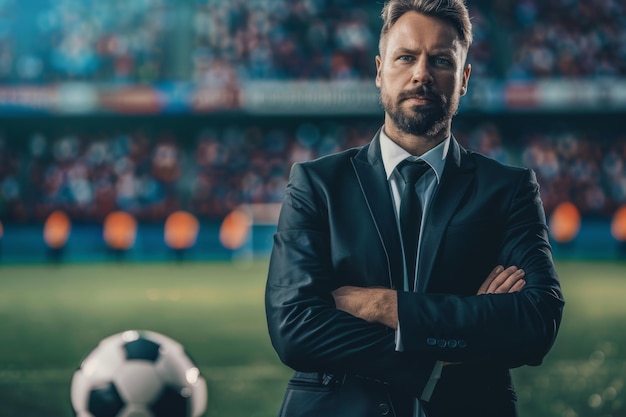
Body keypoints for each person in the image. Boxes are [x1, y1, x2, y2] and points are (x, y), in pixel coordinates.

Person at [265, 0, 565, 416]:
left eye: (440, 60)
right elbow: (294, 327)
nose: (421, 74)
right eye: (406, 57)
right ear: (379, 70)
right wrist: (446, 353)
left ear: (463, 78)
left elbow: (536, 321)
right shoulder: (317, 184)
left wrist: (384, 306)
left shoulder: (508, 189)